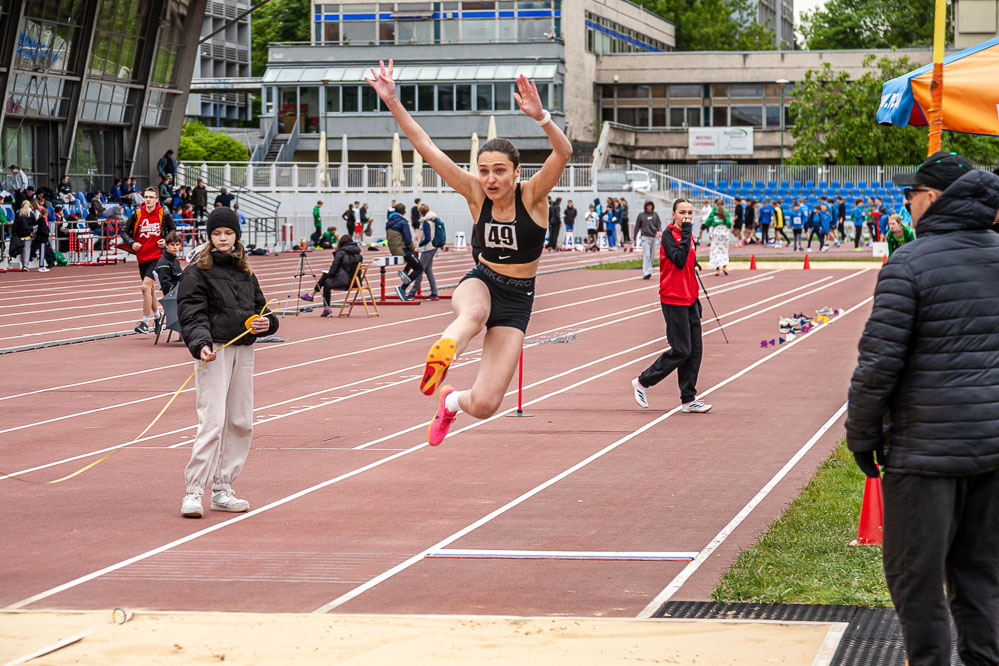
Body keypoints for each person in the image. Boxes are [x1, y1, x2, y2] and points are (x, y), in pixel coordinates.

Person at [366, 59, 571, 445]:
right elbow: (427, 148)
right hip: (482, 282)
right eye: (484, 170)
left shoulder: (533, 195)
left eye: (499, 171)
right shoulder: (475, 192)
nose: (490, 179)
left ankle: (450, 401)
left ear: (516, 172)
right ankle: (445, 353)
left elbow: (563, 152)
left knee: (486, 404)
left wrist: (542, 117)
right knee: (473, 315)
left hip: (518, 299)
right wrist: (392, 101)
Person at [847, 154, 999, 666]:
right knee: (981, 576)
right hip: (992, 447)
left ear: (932, 198)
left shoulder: (909, 262)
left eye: (909, 195)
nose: (906, 204)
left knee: (916, 579)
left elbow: (878, 362)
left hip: (925, 452)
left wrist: (862, 434)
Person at [177, 207, 278, 518]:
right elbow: (191, 313)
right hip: (214, 351)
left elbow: (262, 309)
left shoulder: (246, 271)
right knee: (213, 422)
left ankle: (223, 489)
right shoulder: (197, 271)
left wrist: (267, 324)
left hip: (243, 351)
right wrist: (201, 344)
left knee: (240, 421)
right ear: (210, 236)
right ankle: (194, 491)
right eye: (217, 233)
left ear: (236, 236)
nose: (222, 238)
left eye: (228, 233)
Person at [631, 198, 711, 414]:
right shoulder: (669, 235)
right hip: (673, 299)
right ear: (673, 214)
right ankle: (643, 381)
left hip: (690, 298)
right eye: (682, 212)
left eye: (690, 213)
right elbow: (679, 260)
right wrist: (686, 234)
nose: (687, 216)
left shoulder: (687, 235)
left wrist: (696, 299)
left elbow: (688, 264)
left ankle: (688, 399)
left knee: (695, 351)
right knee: (681, 350)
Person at [121, 187, 175, 333]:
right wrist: (132, 243)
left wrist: (166, 240)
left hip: (158, 257)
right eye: (146, 197)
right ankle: (157, 316)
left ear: (156, 199)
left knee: (145, 287)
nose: (148, 200)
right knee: (149, 290)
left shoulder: (163, 213)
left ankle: (145, 322)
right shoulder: (137, 214)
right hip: (142, 257)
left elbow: (172, 229)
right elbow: (124, 232)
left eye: (151, 197)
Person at [300, 234, 362, 315]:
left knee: (326, 281)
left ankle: (319, 300)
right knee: (326, 278)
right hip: (355, 282)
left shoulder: (341, 253)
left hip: (345, 282)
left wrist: (327, 274)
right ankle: (312, 295)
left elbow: (333, 270)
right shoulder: (359, 254)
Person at [386, 202, 423, 300]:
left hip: (393, 249)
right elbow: (408, 240)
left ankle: (405, 272)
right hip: (403, 250)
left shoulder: (389, 221)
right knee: (419, 268)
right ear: (405, 212)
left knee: (414, 255)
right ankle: (402, 288)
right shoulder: (403, 222)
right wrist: (413, 247)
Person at [406, 202, 441, 301]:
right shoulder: (432, 220)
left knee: (419, 271)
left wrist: (420, 244)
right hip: (432, 248)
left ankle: (412, 294)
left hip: (427, 249)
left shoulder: (426, 223)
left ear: (421, 212)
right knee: (428, 271)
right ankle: (434, 293)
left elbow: (428, 238)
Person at [633, 200, 662, 280]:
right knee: (646, 254)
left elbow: (659, 224)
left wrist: (659, 231)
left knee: (652, 255)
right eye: (648, 205)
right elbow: (637, 227)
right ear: (645, 206)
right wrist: (634, 238)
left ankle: (649, 271)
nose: (649, 207)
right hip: (645, 237)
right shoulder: (641, 215)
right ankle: (646, 272)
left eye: (651, 205)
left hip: (653, 237)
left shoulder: (655, 215)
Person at [153, 231, 184, 305]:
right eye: (172, 245)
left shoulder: (174, 260)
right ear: (166, 245)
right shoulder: (164, 263)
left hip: (180, 293)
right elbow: (166, 286)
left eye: (177, 245)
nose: (175, 247)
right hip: (174, 297)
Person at [703, 199, 731, 276]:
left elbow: (708, 222)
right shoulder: (726, 212)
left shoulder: (713, 212)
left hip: (716, 232)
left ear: (716, 205)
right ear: (723, 205)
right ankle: (724, 267)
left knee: (715, 250)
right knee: (724, 250)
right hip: (724, 232)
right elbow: (728, 223)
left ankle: (717, 269)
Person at [11, 199, 36, 271]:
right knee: (27, 249)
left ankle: (23, 264)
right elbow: (34, 223)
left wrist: (13, 233)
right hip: (28, 234)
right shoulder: (30, 213)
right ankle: (25, 264)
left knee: (21, 250)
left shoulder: (18, 213)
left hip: (20, 234)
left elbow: (15, 225)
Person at [31, 201, 52, 272]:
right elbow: (42, 230)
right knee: (42, 252)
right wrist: (48, 234)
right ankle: (41, 266)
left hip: (41, 238)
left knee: (42, 251)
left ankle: (41, 265)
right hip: (42, 238)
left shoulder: (40, 220)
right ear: (46, 214)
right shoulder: (42, 220)